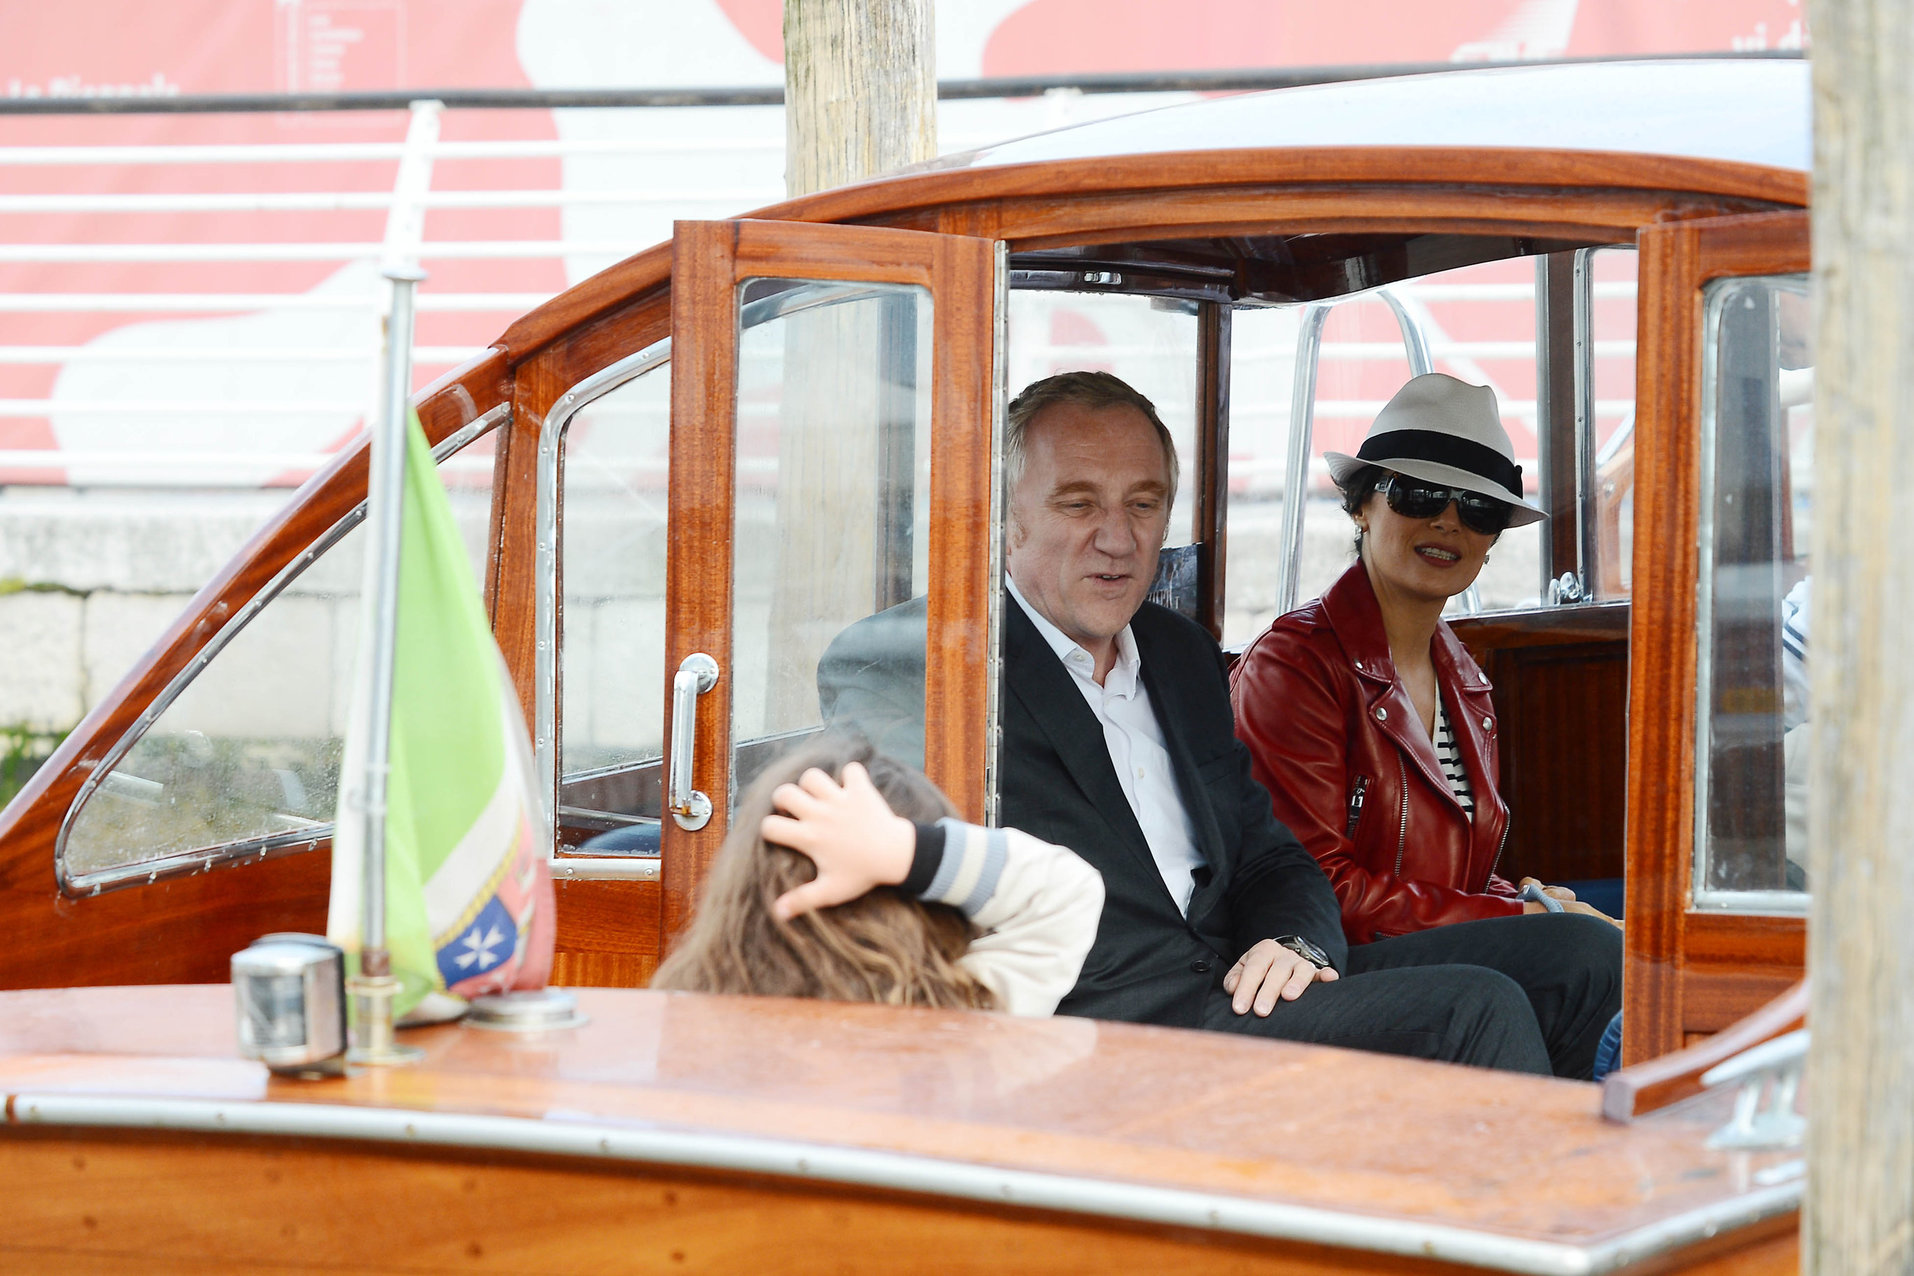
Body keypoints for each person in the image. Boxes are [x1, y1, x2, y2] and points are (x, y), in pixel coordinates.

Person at [821, 370, 1619, 1077]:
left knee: (1583, 955)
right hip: (1106, 1033)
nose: (1117, 537)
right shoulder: (913, 661)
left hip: (1240, 981)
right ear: (1005, 516)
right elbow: (924, 875)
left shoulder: (1178, 655)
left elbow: (1274, 860)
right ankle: (1539, 1240)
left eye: (1144, 504)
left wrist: (1297, 943)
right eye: (1078, 503)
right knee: (1473, 1010)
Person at [1231, 373, 1621, 944]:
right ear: (1362, 506)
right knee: (1588, 953)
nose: (1447, 521)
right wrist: (1526, 920)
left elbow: (1454, 880)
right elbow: (1313, 889)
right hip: (1329, 964)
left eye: (1479, 509)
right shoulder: (1294, 667)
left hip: (1434, 956)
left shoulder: (1466, 681)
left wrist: (1526, 902)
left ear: (1490, 544)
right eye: (1418, 495)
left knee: (1623, 939)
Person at [651, 735, 1104, 1017]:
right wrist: (907, 851)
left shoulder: (687, 1011)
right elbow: (1068, 890)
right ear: (928, 908)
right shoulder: (961, 1019)